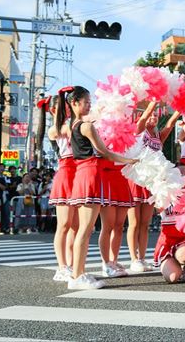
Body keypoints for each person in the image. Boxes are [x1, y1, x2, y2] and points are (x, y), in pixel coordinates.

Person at [58, 85, 137, 290]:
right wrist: (130, 160)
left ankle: (78, 273)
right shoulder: (86, 126)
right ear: (74, 103)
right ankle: (77, 276)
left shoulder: (71, 125)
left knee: (85, 230)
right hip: (91, 174)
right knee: (85, 230)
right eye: (86, 101)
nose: (89, 104)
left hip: (84, 174)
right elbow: (106, 153)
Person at [127, 101, 180, 273]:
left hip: (152, 182)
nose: (154, 117)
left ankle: (142, 258)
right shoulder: (139, 131)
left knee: (145, 223)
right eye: (152, 114)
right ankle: (133, 259)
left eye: (156, 115)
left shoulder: (159, 136)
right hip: (136, 179)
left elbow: (171, 124)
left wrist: (182, 107)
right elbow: (143, 116)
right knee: (134, 223)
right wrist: (154, 102)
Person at [48, 93, 78, 282]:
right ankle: (61, 266)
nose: (67, 108)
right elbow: (71, 130)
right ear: (52, 110)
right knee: (64, 224)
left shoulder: (72, 124)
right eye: (63, 106)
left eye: (68, 105)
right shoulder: (55, 129)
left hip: (79, 173)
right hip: (66, 173)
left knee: (76, 226)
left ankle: (73, 264)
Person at [154, 163, 185, 283]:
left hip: (184, 240)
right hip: (167, 241)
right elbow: (155, 210)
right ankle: (171, 263)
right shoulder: (163, 192)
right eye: (180, 173)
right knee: (173, 278)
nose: (184, 176)